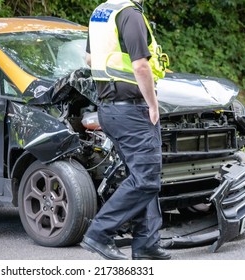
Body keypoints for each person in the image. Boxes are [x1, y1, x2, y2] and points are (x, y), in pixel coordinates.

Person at [80, 0, 171, 260]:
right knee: (146, 179)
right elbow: (141, 66)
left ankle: (146, 243)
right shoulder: (130, 14)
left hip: (110, 109)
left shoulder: (101, 13)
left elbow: (89, 58)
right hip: (133, 110)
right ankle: (99, 233)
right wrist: (153, 105)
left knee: (141, 176)